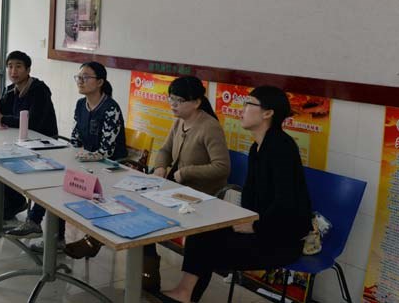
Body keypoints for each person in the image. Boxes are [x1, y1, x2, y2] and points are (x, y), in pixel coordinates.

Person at [159, 86, 312, 303]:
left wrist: (256, 226)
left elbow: (286, 203)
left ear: (268, 113)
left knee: (207, 244)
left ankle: (186, 294)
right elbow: (252, 196)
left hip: (281, 239)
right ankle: (185, 294)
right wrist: (237, 220)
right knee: (201, 231)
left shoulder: (281, 148)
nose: (242, 109)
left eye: (249, 104)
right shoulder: (257, 147)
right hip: (260, 226)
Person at [26, 61, 127, 254]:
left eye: (86, 77)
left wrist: (80, 157)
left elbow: (107, 151)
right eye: (79, 77)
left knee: (61, 182)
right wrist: (74, 155)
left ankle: (50, 232)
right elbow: (75, 140)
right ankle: (37, 223)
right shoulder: (81, 104)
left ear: (100, 82)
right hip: (87, 164)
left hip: (109, 168)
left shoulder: (110, 108)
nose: (80, 81)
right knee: (54, 177)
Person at [143, 76, 231, 292]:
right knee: (141, 211)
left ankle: (182, 289)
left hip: (202, 196)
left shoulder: (209, 127)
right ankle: (148, 271)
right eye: (171, 99)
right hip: (177, 191)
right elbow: (165, 150)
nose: (173, 104)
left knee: (198, 237)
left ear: (197, 102)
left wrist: (187, 172)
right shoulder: (179, 121)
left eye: (179, 100)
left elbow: (222, 167)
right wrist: (160, 167)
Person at [0, 50, 59, 222]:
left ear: (28, 70)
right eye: (10, 67)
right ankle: (12, 203)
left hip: (42, 145)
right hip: (18, 142)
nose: (13, 71)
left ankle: (13, 204)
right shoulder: (11, 89)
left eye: (18, 67)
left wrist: (3, 119)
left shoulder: (39, 90)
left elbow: (31, 122)